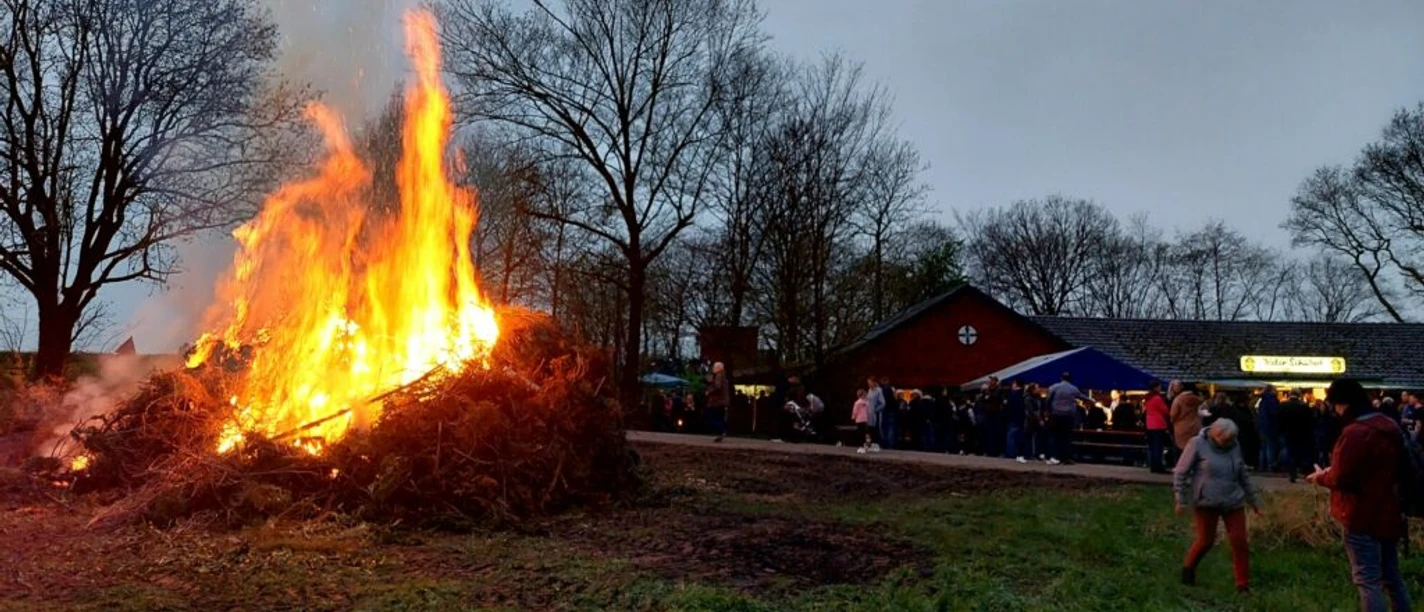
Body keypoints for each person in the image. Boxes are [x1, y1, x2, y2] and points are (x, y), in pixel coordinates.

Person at [1307, 378, 1413, 612]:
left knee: (1368, 580)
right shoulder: (1389, 425)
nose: (1335, 410)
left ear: (1344, 404)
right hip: (1389, 509)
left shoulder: (1354, 433)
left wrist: (1321, 477)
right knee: (1392, 578)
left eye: (1336, 405)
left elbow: (1342, 478)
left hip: (1359, 513)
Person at [1174, 418, 1261, 594]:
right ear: (1215, 435)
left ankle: (1242, 584)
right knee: (1206, 540)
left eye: (1232, 439)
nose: (1229, 443)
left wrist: (1255, 501)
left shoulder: (1235, 445)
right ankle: (1188, 570)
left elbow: (1242, 473)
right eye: (1226, 440)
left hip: (1233, 500)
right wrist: (1180, 499)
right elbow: (1180, 472)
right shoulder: (1197, 444)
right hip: (1207, 501)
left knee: (1239, 541)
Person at [1277, 390, 1317, 484]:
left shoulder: (1283, 406)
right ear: (1299, 396)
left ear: (1289, 395)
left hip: (1287, 433)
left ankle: (1292, 473)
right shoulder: (1304, 406)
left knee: (1290, 453)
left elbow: (1278, 420)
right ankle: (1305, 472)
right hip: (1302, 433)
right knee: (1302, 453)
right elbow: (1310, 421)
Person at [1045, 372, 1083, 465]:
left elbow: (1048, 400)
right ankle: (1065, 458)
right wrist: (1092, 401)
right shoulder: (1074, 388)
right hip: (1069, 416)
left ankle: (1053, 456)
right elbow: (1081, 396)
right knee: (1067, 437)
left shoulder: (1054, 387)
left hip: (1056, 414)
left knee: (1054, 436)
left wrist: (1047, 411)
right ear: (1070, 379)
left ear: (1061, 378)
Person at [1144, 380, 1172, 474]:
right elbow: (1165, 410)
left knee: (1152, 447)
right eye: (1159, 387)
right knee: (1158, 447)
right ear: (1156, 387)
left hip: (1149, 424)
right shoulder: (1157, 398)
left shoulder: (1148, 398)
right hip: (1158, 424)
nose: (1160, 388)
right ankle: (1158, 467)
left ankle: (1153, 466)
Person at [1171, 383, 1205, 458]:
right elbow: (1202, 403)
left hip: (1181, 427)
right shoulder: (1196, 399)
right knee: (1193, 449)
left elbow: (1173, 415)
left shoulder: (1178, 399)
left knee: (1181, 450)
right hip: (1195, 426)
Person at [1256, 385, 1281, 473]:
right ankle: (1271, 465)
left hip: (1262, 427)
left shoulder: (1262, 400)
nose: (1277, 391)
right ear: (1271, 391)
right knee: (1270, 447)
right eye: (1275, 389)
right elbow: (1275, 413)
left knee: (1263, 447)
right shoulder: (1273, 400)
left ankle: (1261, 466)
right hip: (1270, 427)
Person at [706, 362, 731, 442]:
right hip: (723, 401)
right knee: (720, 416)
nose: (713, 368)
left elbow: (717, 386)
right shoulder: (724, 376)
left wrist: (709, 391)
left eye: (714, 367)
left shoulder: (719, 375)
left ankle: (721, 430)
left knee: (712, 416)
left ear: (718, 368)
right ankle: (722, 431)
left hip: (717, 401)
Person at [1006, 379, 1028, 463]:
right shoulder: (1021, 395)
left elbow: (1009, 407)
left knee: (1012, 435)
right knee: (1017, 436)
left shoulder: (1012, 394)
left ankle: (1011, 453)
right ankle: (1017, 454)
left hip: (1013, 417)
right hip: (1019, 418)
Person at [852, 388, 874, 453]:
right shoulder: (866, 403)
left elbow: (855, 411)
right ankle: (866, 445)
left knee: (860, 433)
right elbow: (868, 411)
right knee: (865, 432)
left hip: (859, 419)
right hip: (865, 419)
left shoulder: (857, 403)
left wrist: (853, 417)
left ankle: (861, 446)